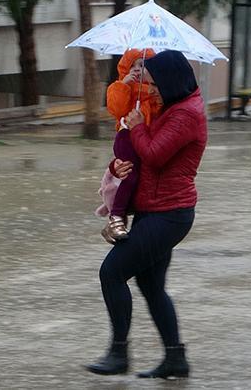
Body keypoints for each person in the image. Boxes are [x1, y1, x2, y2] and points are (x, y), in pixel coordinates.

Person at [85, 50, 207, 379]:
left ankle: (119, 352)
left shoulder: (186, 115)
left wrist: (137, 128)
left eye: (153, 83)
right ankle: (175, 359)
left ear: (169, 81)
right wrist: (116, 165)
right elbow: (137, 158)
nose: (149, 89)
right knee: (151, 285)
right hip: (155, 210)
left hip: (169, 214)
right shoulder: (171, 107)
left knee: (112, 272)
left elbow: (153, 155)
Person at [96, 49, 158, 243]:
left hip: (144, 139)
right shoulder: (122, 87)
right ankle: (116, 218)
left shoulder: (155, 91)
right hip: (126, 137)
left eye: (143, 66)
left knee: (136, 178)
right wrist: (124, 85)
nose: (138, 70)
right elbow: (116, 110)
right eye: (134, 66)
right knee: (129, 175)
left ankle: (117, 219)